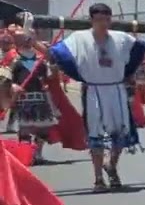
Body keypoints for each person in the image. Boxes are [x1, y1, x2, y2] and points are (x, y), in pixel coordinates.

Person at [48, 3, 145, 190]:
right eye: (99, 19)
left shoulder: (121, 38)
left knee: (119, 134)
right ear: (91, 20)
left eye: (107, 19)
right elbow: (54, 54)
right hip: (94, 91)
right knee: (95, 136)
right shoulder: (78, 39)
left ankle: (112, 166)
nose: (103, 23)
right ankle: (98, 178)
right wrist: (31, 40)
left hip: (116, 91)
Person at [3, 27, 86, 163]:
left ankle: (37, 154)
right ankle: (26, 155)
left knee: (44, 129)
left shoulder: (41, 59)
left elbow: (50, 76)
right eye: (22, 38)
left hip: (41, 96)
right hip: (24, 98)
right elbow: (5, 76)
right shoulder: (13, 58)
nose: (26, 41)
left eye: (28, 38)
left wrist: (54, 72)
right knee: (25, 128)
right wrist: (12, 86)